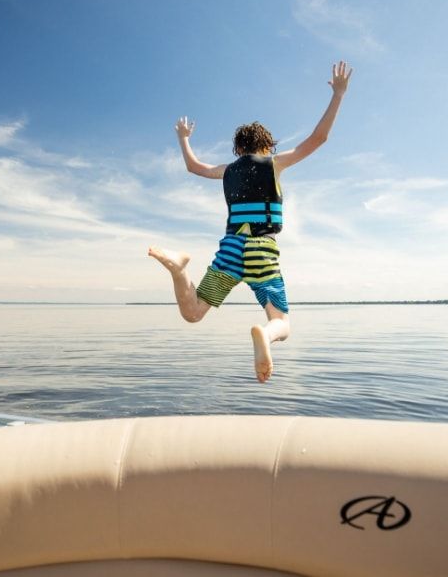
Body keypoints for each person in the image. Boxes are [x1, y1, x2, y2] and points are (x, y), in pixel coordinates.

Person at [149, 61, 353, 382]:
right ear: (266, 145)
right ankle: (265, 334)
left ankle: (179, 269)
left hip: (231, 249)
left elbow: (194, 167)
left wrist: (183, 137)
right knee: (281, 321)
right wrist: (338, 95)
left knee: (193, 312)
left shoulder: (226, 170)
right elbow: (318, 138)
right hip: (262, 251)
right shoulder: (274, 163)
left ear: (237, 148)